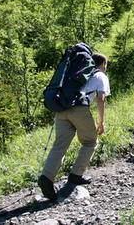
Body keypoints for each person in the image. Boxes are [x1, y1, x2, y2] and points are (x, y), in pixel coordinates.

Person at [38, 53, 111, 201]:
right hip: (79, 109)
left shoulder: (75, 73)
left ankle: (46, 177)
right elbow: (101, 99)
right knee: (90, 142)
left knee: (60, 145)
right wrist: (101, 122)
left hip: (62, 110)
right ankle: (76, 175)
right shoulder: (100, 76)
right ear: (103, 64)